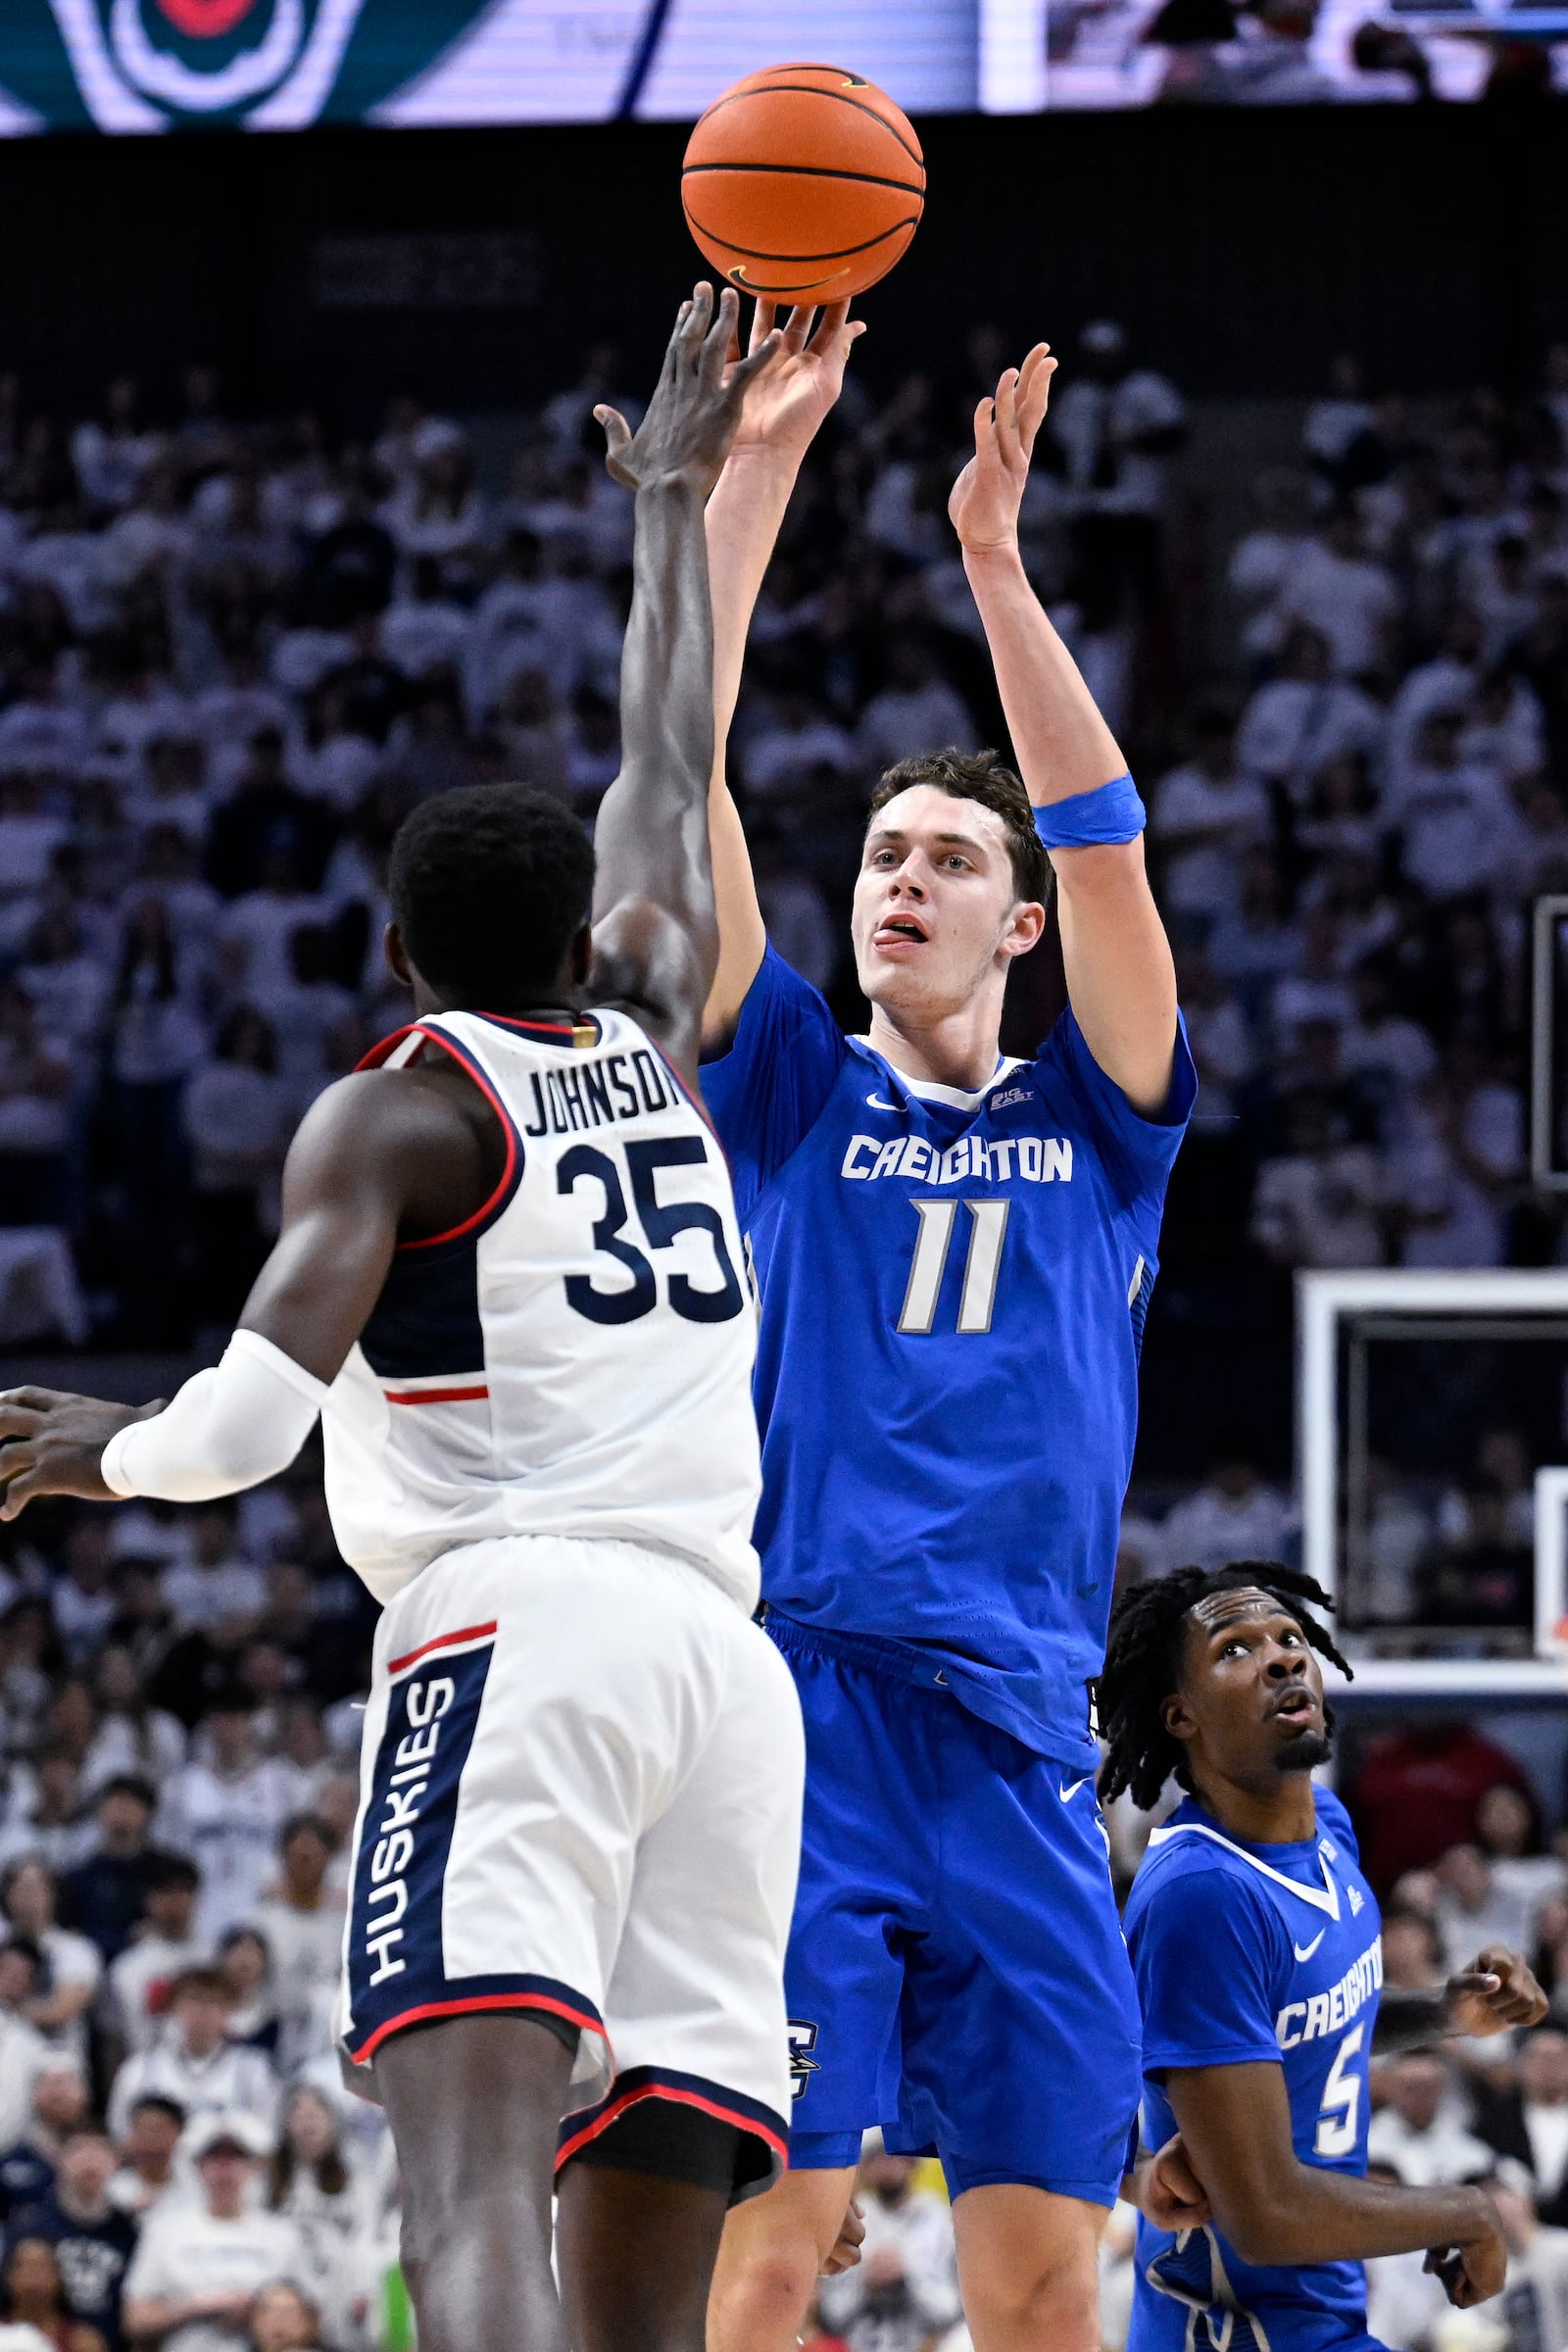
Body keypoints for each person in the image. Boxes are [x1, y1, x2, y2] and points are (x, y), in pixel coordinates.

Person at [0, 285, 805, 2352]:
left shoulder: (400, 1107)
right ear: (588, 932)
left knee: (464, 2187)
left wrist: (89, 1444)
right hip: (727, 1676)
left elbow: (246, 1431)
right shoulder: (653, 1016)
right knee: (645, 2277)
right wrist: (664, 506)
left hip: (519, 1632)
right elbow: (663, 753)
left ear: (391, 950)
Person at [696, 312, 1191, 2352]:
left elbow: (1109, 844)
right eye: (883, 852)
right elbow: (679, 780)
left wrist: (995, 563)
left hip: (1023, 1742)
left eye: (948, 858)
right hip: (808, 1710)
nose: (902, 874)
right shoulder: (796, 1088)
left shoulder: (1103, 1119)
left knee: (1042, 2279)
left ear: (1015, 924)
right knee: (772, 2242)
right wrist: (740, 486)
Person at [1096, 1559, 1548, 2350]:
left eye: (1291, 1637)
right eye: (1234, 1650)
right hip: (1235, 2331)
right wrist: (1466, 2212)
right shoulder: (1203, 1896)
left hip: (1317, 2318)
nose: (1281, 1656)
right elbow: (1264, 2214)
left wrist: (1444, 2012)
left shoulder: (1328, 1829)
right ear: (1180, 1716)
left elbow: (1303, 2028)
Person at [121, 2113, 307, 2352]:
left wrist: (257, 2310)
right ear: (198, 2166)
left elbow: (306, 2317)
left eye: (236, 2158)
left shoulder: (281, 2235)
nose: (225, 2169)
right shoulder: (166, 2230)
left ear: (254, 2168)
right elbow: (134, 2320)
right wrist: (199, 2308)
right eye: (215, 2158)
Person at [9, 2126, 138, 2352]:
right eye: (79, 2151)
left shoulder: (130, 2230)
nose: (89, 2161)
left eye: (99, 2151)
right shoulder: (30, 2225)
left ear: (116, 2163)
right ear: (59, 2161)